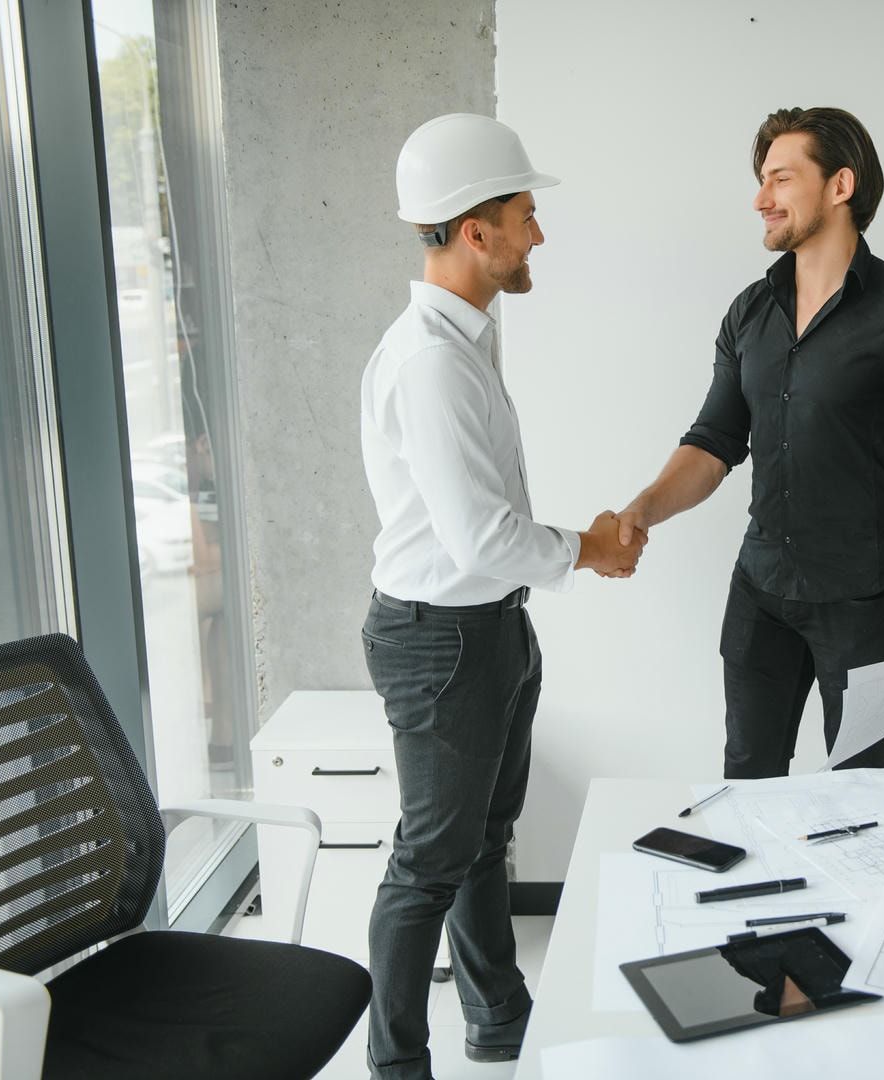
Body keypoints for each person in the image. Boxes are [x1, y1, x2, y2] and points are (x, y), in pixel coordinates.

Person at [359, 113, 644, 1077]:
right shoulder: (433, 362)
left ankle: (498, 1020)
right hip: (442, 640)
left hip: (486, 628)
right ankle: (396, 1064)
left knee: (483, 842)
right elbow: (480, 537)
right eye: (525, 214)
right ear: (474, 231)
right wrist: (590, 550)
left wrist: (568, 557)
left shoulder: (460, 340)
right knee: (429, 862)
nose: (538, 235)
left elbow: (480, 530)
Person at [617, 107, 884, 778]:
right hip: (760, 594)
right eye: (761, 181)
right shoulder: (749, 312)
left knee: (863, 794)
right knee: (748, 783)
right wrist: (641, 510)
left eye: (780, 179)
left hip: (865, 609)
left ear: (840, 185)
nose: (761, 200)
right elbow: (714, 441)